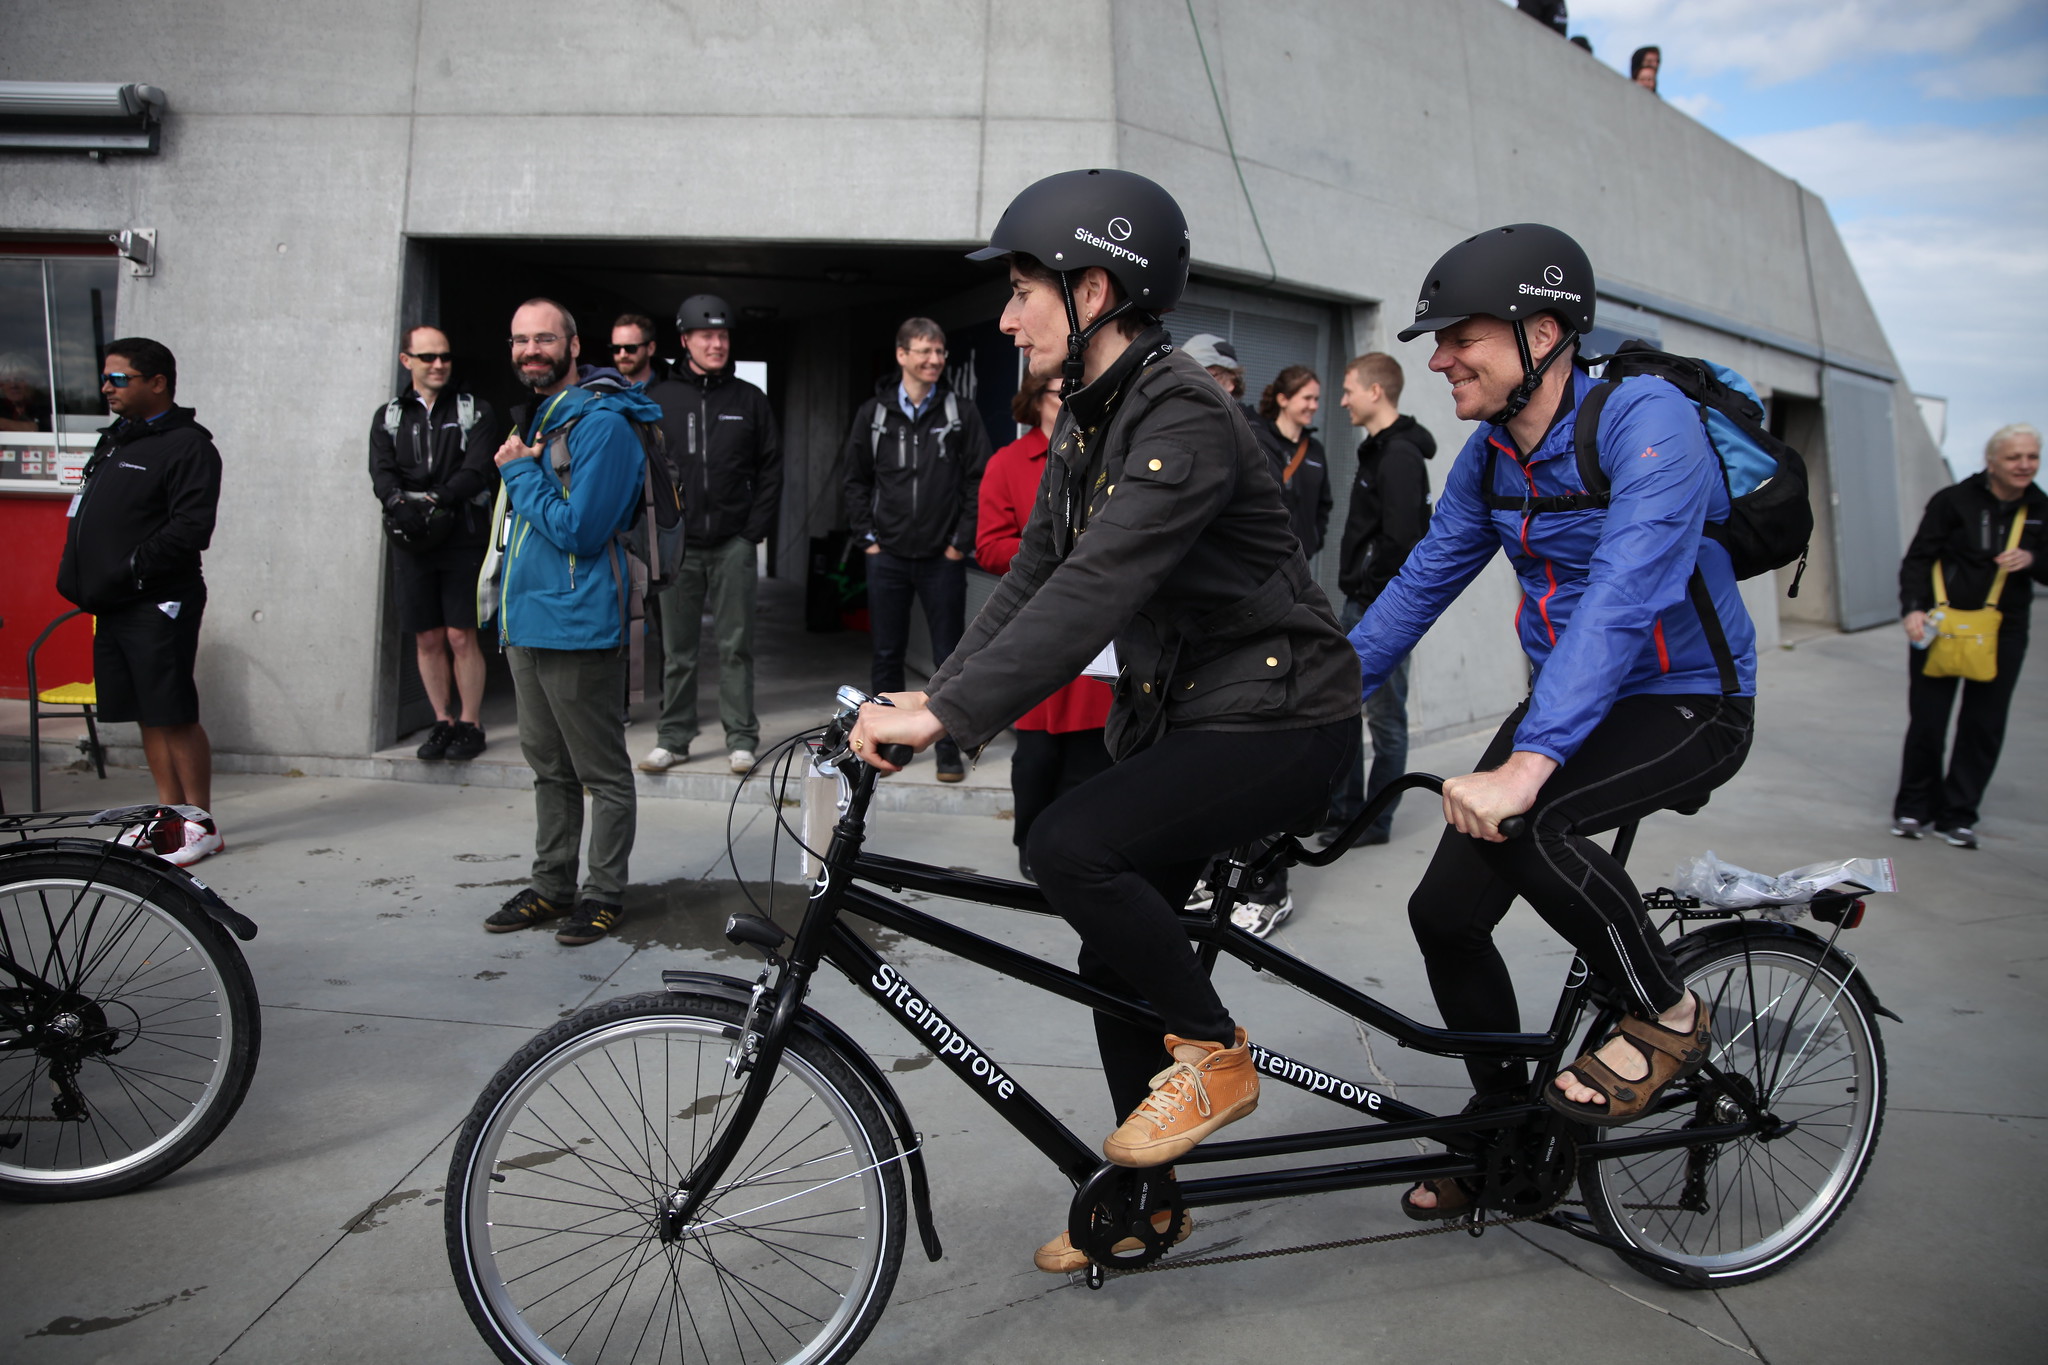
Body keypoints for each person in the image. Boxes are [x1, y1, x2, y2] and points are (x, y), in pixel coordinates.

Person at [845, 170, 1360, 1272]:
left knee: (1070, 844)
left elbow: (1096, 591)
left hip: (1283, 716)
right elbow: (1034, 580)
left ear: (1093, 290)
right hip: (1197, 714)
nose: (1006, 313)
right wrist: (934, 698)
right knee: (1114, 962)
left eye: (1024, 286)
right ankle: (1143, 1205)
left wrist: (950, 715)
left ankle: (1216, 1056)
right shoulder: (1091, 422)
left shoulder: (1183, 413)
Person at [1358, 225, 1756, 1215]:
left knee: (1534, 822)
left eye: (1458, 337)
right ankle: (1506, 1134)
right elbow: (1419, 585)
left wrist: (1528, 761)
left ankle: (1667, 1012)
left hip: (1688, 700)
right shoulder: (1490, 456)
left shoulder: (1644, 421)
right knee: (1441, 915)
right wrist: (1308, 700)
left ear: (1542, 333)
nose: (1437, 358)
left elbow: (1624, 595)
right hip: (1571, 703)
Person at [478, 299, 658, 947]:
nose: (532, 350)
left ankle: (602, 893)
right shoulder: (545, 418)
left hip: (578, 625)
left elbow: (582, 532)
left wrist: (519, 472)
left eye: (545, 338)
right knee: (548, 769)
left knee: (600, 772)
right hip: (525, 623)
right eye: (521, 339)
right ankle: (553, 885)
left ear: (575, 346)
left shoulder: (603, 425)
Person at [55, 337, 224, 865]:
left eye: (119, 378)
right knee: (147, 714)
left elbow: (191, 529)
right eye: (105, 378)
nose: (107, 387)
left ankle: (201, 824)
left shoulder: (190, 446)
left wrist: (129, 568)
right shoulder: (117, 440)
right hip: (116, 603)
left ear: (158, 382)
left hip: (159, 600)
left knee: (172, 710)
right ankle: (166, 817)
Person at [840, 318, 992, 782]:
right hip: (886, 557)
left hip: (939, 559)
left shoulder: (960, 411)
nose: (934, 360)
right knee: (887, 654)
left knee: (948, 658)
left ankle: (947, 752)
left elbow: (976, 482)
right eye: (925, 351)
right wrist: (867, 539)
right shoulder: (874, 413)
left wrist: (957, 545)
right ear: (902, 355)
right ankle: (887, 747)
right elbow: (855, 480)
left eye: (940, 352)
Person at [976, 370, 1112, 881]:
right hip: (1030, 622)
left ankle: (1073, 850)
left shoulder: (1103, 457)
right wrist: (1052, 554)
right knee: (1035, 756)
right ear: (1034, 403)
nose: (1073, 402)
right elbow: (989, 545)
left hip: (1094, 625)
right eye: (1061, 394)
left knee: (1091, 751)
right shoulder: (1006, 464)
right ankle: (1031, 845)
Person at [638, 295, 782, 777]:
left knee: (736, 645)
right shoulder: (659, 401)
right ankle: (673, 737)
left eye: (722, 336)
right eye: (706, 336)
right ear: (685, 341)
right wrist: (659, 532)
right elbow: (646, 473)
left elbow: (770, 470)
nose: (716, 343)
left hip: (733, 543)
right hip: (679, 547)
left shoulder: (749, 400)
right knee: (677, 650)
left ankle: (741, 738)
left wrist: (753, 532)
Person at [1892, 423, 2045, 848]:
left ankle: (1958, 814)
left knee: (1984, 723)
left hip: (2003, 631)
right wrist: (1913, 608)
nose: (2025, 465)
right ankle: (1913, 807)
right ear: (1991, 461)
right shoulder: (1953, 501)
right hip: (1940, 625)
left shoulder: (2040, 508)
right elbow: (1918, 559)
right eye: (2015, 457)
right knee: (1928, 720)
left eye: (2032, 457)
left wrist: (2033, 557)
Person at [367, 324, 499, 762]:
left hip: (460, 535)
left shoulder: (474, 410)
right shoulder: (388, 416)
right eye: (428, 357)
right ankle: (442, 721)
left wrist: (437, 500)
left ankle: (471, 723)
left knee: (462, 636)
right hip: (411, 540)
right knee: (427, 637)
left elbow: (478, 468)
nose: (439, 364)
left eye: (444, 356)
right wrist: (395, 502)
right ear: (407, 361)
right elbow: (381, 471)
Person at [1321, 352, 1436, 848]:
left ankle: (1372, 821)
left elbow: (1403, 539)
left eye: (1349, 389)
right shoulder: (1379, 450)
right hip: (1363, 601)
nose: (1342, 399)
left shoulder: (1400, 457)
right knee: (1344, 708)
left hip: (1380, 607)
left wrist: (1371, 597)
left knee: (1385, 718)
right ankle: (1344, 812)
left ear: (1376, 392)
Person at [1251, 364, 1331, 561]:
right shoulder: (1259, 442)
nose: (1314, 406)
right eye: (1307, 398)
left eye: (1316, 399)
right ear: (1283, 399)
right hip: (1263, 558)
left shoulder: (1315, 450)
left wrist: (1313, 539)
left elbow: (1324, 504)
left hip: (1301, 559)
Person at [1180, 332, 1250, 413]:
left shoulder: (1246, 423)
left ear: (1230, 381)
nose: (1193, 384)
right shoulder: (1171, 415)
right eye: (1188, 376)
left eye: (1205, 375)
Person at [607, 312, 669, 386]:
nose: (622, 355)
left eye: (631, 348)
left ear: (650, 349)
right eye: (616, 348)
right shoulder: (605, 391)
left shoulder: (670, 391)